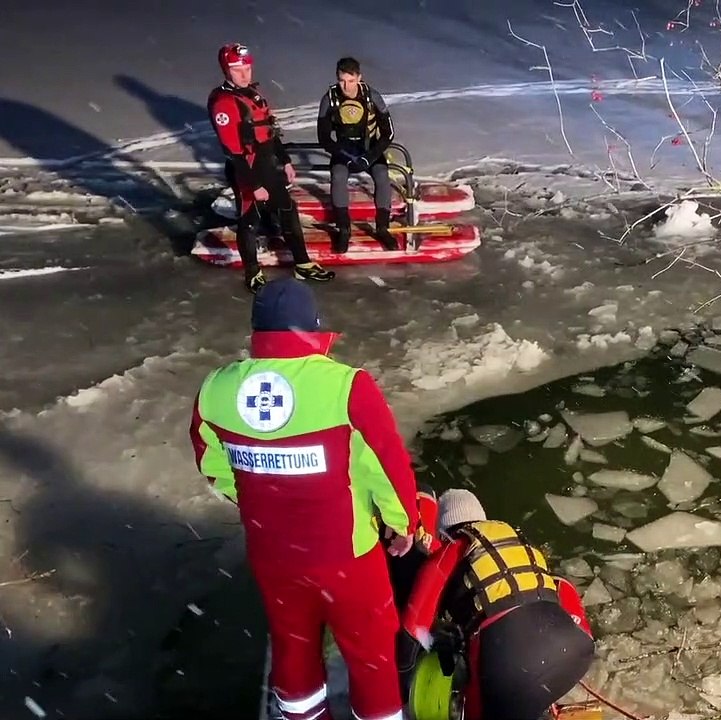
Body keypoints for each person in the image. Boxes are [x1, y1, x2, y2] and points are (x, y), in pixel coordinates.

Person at [188, 277, 436, 720]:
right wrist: (403, 523)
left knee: (293, 642)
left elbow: (213, 465)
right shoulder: (347, 387)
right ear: (314, 328)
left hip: (273, 554)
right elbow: (386, 466)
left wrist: (260, 501)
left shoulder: (216, 389)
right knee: (371, 653)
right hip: (348, 556)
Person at [400, 489, 596, 720]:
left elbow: (413, 628)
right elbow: (563, 588)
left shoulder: (454, 548)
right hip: (575, 653)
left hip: (509, 661)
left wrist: (403, 683)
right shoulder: (519, 545)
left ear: (444, 534)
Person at [208, 43, 335, 292]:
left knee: (288, 210)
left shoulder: (252, 94)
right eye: (237, 69)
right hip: (247, 170)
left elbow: (269, 132)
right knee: (250, 220)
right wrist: (254, 185)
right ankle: (252, 273)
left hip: (268, 165)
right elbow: (233, 152)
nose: (245, 74)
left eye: (247, 68)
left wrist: (285, 159)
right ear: (226, 70)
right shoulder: (224, 103)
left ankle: (302, 263)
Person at [316, 56, 398, 252]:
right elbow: (323, 137)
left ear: (359, 78)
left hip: (369, 148)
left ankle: (382, 227)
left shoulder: (373, 97)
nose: (346, 86)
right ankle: (344, 229)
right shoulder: (329, 99)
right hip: (343, 150)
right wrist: (341, 154)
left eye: (351, 81)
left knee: (381, 175)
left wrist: (369, 157)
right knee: (338, 176)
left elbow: (389, 133)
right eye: (342, 80)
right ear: (337, 78)